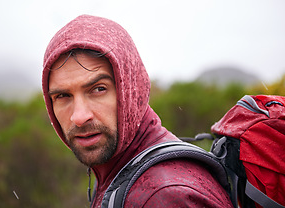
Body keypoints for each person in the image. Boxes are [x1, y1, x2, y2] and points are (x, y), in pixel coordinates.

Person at [42, 15, 233, 207]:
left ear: (131, 89)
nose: (79, 117)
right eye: (62, 96)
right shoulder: (121, 171)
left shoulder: (163, 196)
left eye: (99, 89)